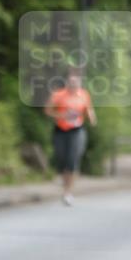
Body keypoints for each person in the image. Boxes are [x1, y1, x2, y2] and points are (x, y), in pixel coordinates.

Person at [44, 67, 96, 205]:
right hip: (61, 130)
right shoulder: (58, 95)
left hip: (77, 131)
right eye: (71, 81)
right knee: (62, 159)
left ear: (79, 82)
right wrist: (61, 115)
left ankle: (67, 192)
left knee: (72, 159)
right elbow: (48, 110)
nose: (73, 84)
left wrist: (91, 117)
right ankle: (64, 182)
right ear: (67, 82)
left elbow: (89, 109)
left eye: (76, 82)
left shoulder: (84, 95)